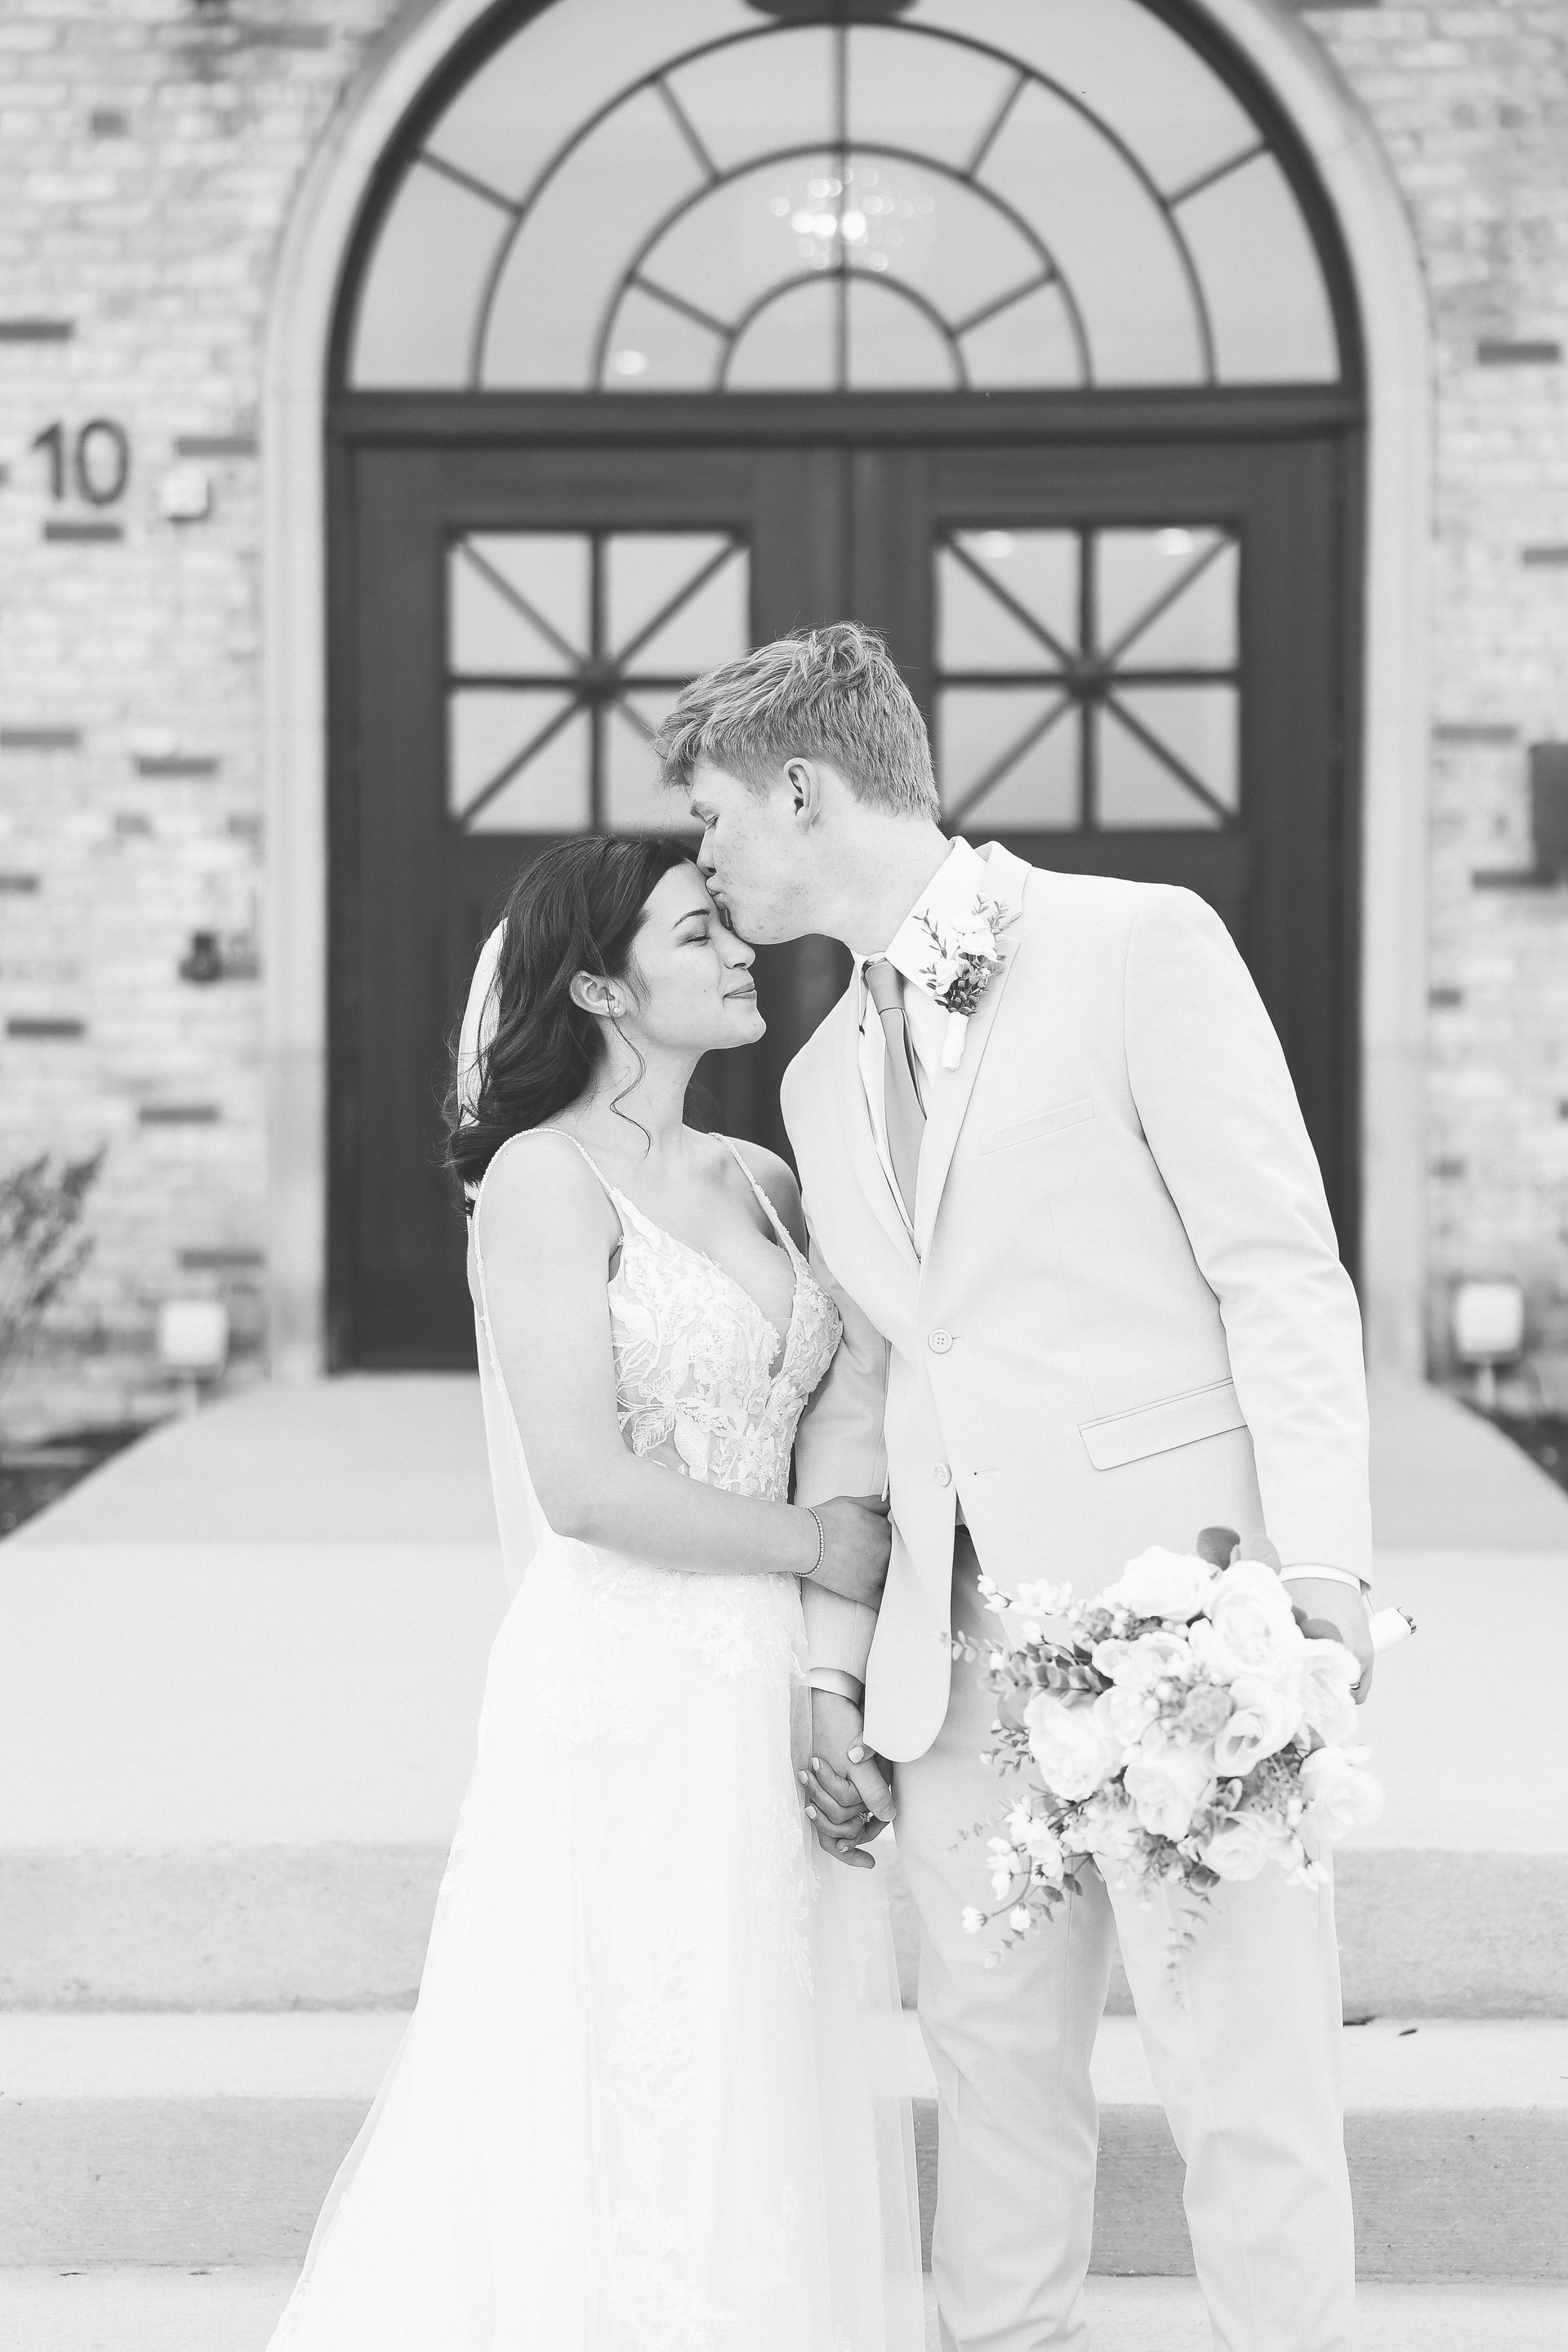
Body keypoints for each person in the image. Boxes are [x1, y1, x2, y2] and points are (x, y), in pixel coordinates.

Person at [653, 624, 1375, 2352]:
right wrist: (839, 1665)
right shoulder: (820, 1078)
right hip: (951, 1668)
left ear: (806, 790)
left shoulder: (1137, 945)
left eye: (714, 819)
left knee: (1245, 2083)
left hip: (1183, 1622)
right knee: (993, 2101)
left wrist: (1327, 1583)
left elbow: (1280, 1269)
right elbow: (887, 1376)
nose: (706, 861)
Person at [266, 835, 924, 2352]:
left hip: (763, 1668)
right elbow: (584, 1486)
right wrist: (816, 1549)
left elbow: (838, 1405)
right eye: (700, 934)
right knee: (623, 2053)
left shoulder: (762, 1180)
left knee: (752, 2061)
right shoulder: (540, 1188)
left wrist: (830, 1673)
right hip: (626, 1681)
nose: (739, 948)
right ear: (599, 984)